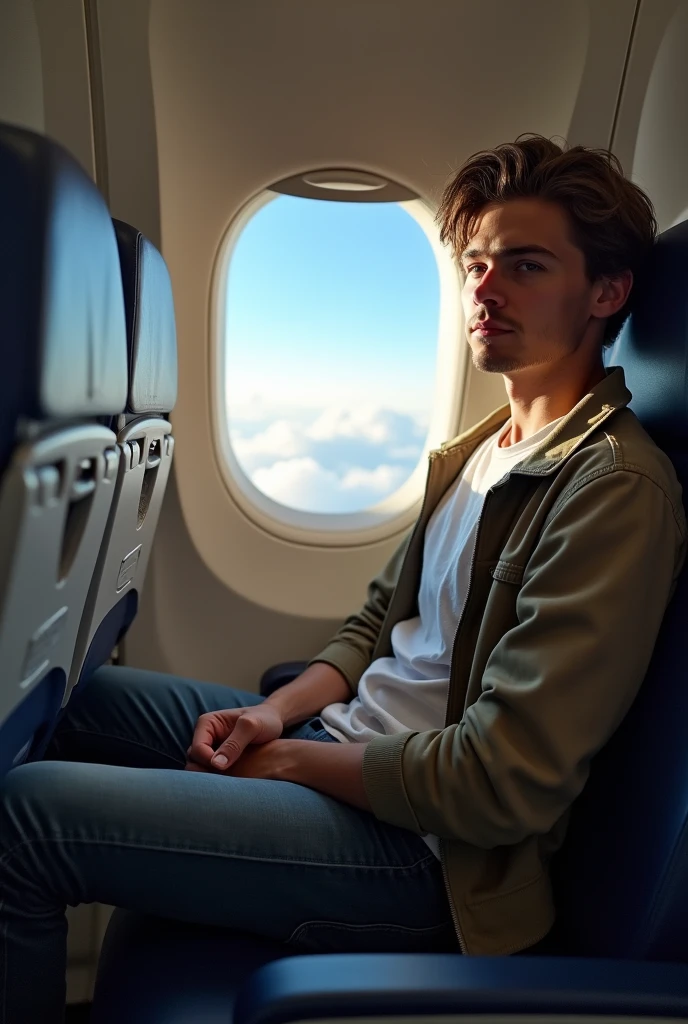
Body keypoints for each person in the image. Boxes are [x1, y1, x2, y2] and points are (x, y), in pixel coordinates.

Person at [0, 135, 685, 1023]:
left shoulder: (615, 493)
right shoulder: (481, 451)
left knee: (25, 822)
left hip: (429, 856)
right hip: (350, 741)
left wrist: (288, 762)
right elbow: (372, 630)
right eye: (476, 263)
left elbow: (501, 780)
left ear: (607, 292)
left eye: (525, 264)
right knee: (73, 701)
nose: (484, 289)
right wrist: (272, 715)